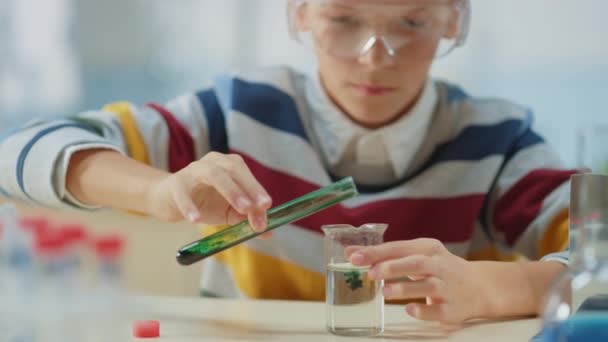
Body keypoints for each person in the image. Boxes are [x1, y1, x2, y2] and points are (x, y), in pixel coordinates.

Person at [0, 0, 574, 323]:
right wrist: (157, 191)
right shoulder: (235, 113)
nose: (374, 60)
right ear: (300, 14)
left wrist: (505, 289)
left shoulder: (498, 142)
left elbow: (599, 251)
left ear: (454, 21)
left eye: (412, 22)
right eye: (344, 20)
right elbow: (18, 153)